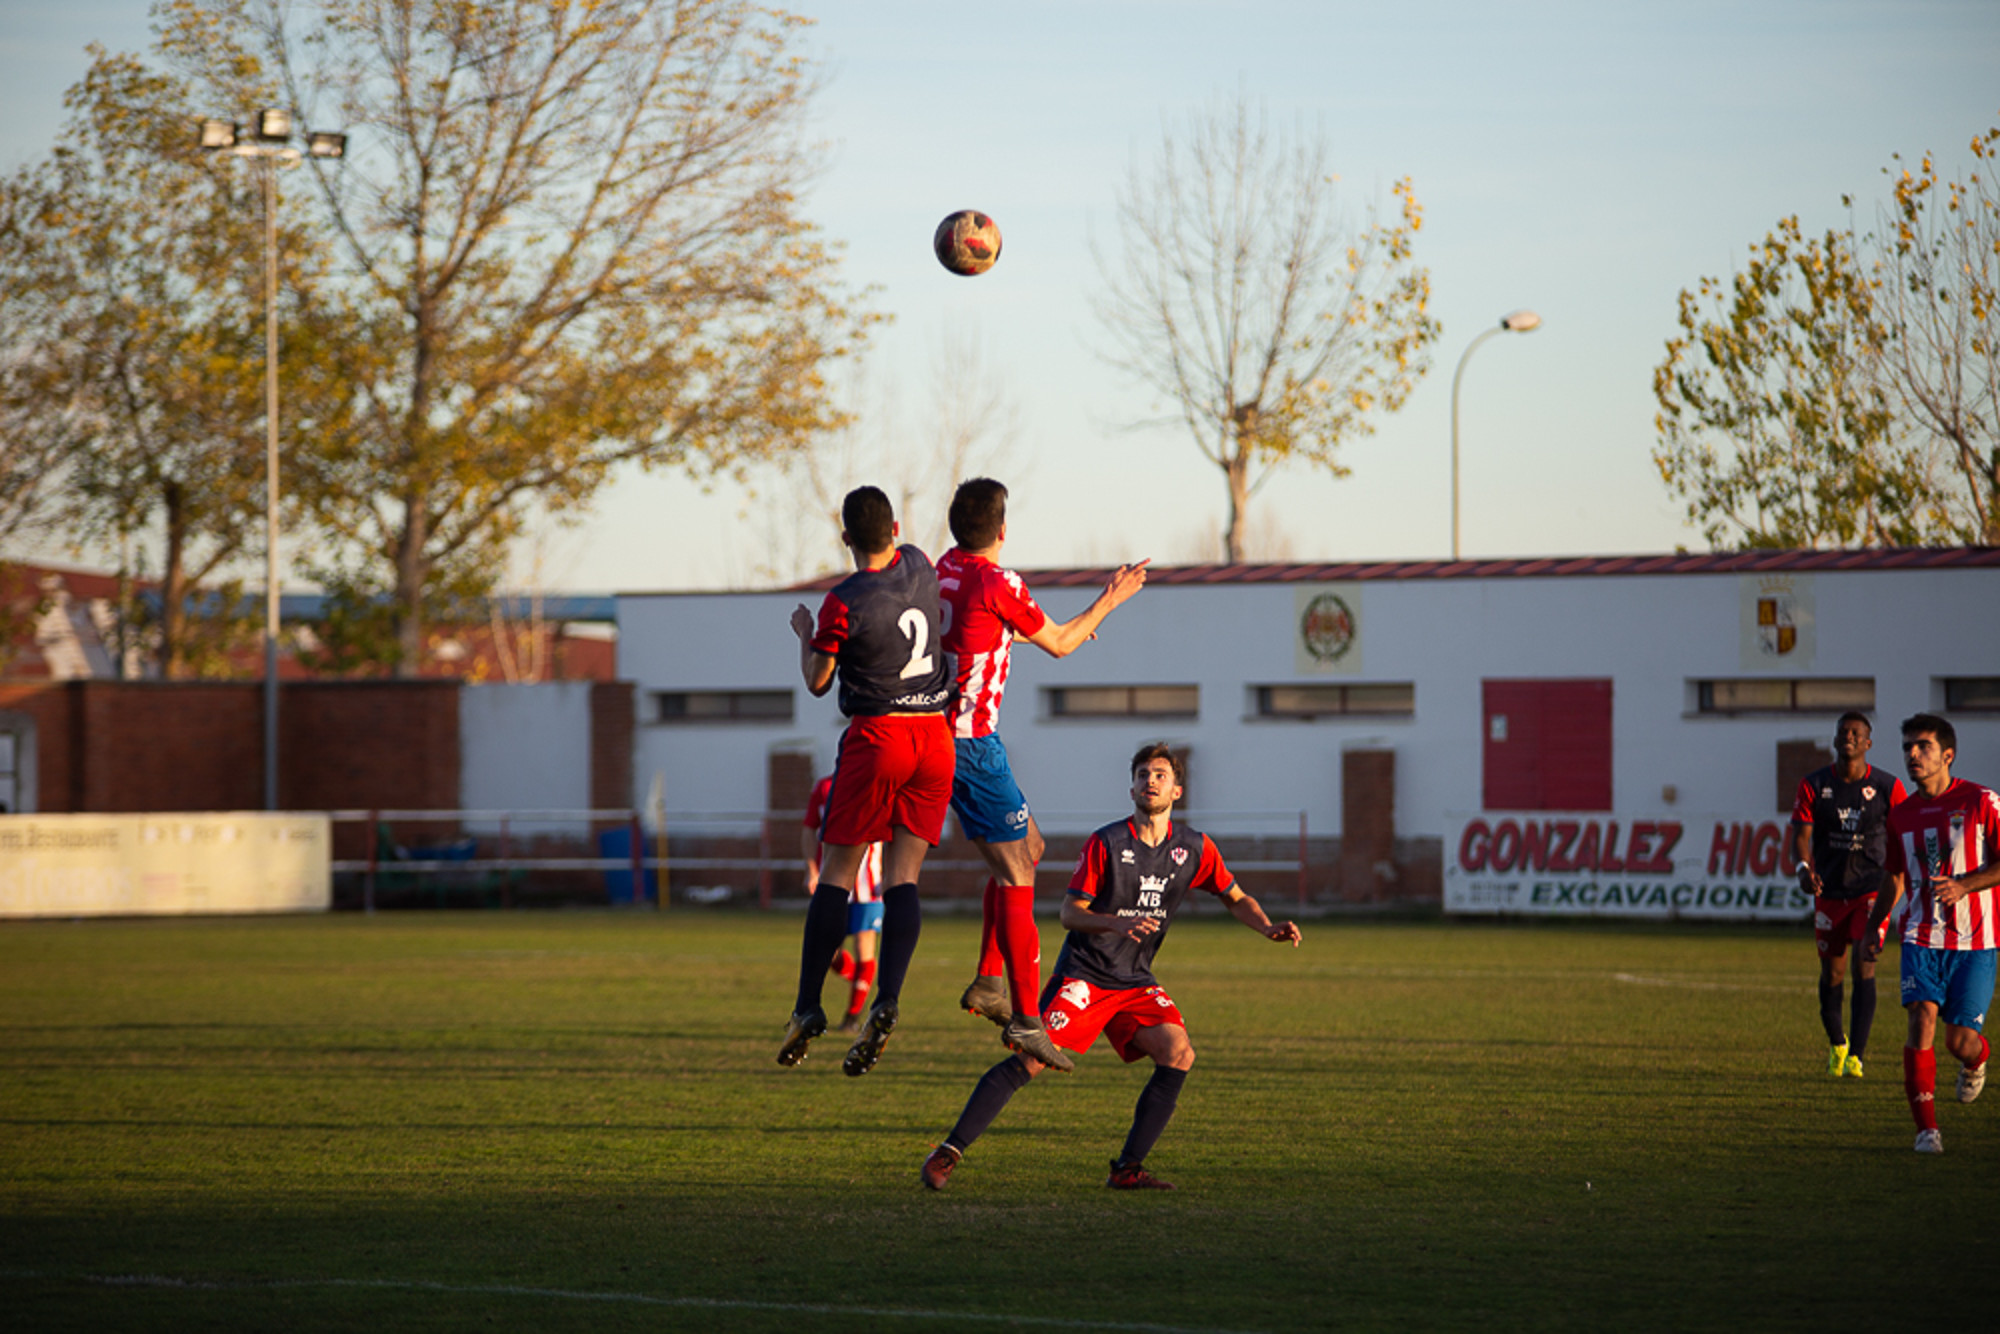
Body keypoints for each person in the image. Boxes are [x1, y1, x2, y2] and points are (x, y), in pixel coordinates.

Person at [920, 743, 1302, 1191]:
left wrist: (1266, 926)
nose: (1150, 781)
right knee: (1029, 1060)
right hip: (1085, 973)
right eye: (1142, 774)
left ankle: (1126, 1169)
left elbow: (1235, 897)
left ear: (1177, 789)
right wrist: (1113, 921)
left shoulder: (1194, 848)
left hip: (1136, 980)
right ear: (1132, 787)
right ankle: (947, 1152)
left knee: (1178, 1052)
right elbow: (1069, 912)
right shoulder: (1108, 842)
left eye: (1160, 774)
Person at [936, 477, 1149, 1072]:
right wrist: (1110, 598)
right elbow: (1060, 643)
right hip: (971, 742)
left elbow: (975, 634)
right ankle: (1027, 1019)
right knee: (1016, 871)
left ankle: (986, 979)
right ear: (1003, 530)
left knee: (1028, 847)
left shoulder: (941, 568)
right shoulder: (999, 582)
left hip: (943, 735)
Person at [778, 486, 955, 1076]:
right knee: (903, 877)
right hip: (934, 737)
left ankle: (807, 1007)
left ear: (846, 537)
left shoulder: (841, 601)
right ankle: (887, 999)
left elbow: (818, 682)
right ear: (897, 528)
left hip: (878, 737)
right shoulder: (920, 564)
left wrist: (806, 636)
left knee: (838, 875)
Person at [1861, 713, 2000, 1154]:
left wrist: (1964, 885)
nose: (1912, 755)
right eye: (1907, 747)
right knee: (1920, 1017)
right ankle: (1926, 1130)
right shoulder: (1901, 815)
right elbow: (1895, 877)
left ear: (1948, 755)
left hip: (1976, 941)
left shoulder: (1982, 801)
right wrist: (1874, 927)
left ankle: (1977, 1059)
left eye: (1922, 746)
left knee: (1959, 1041)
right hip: (1921, 934)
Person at [1789, 711, 1906, 1078]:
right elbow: (1801, 838)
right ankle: (1837, 1043)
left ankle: (1857, 1055)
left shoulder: (1888, 787)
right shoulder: (1814, 784)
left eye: (1856, 733)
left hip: (1870, 890)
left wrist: (1902, 881)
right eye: (1843, 732)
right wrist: (1804, 870)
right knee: (1833, 974)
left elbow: (1905, 836)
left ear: (1868, 744)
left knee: (1863, 964)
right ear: (1835, 740)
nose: (1848, 736)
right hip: (1829, 893)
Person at [802, 774, 883, 1033]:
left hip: (869, 886)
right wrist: (811, 869)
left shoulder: (881, 781)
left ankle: (852, 1017)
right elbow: (808, 829)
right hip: (834, 882)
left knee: (864, 946)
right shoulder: (825, 787)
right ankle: (859, 980)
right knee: (828, 952)